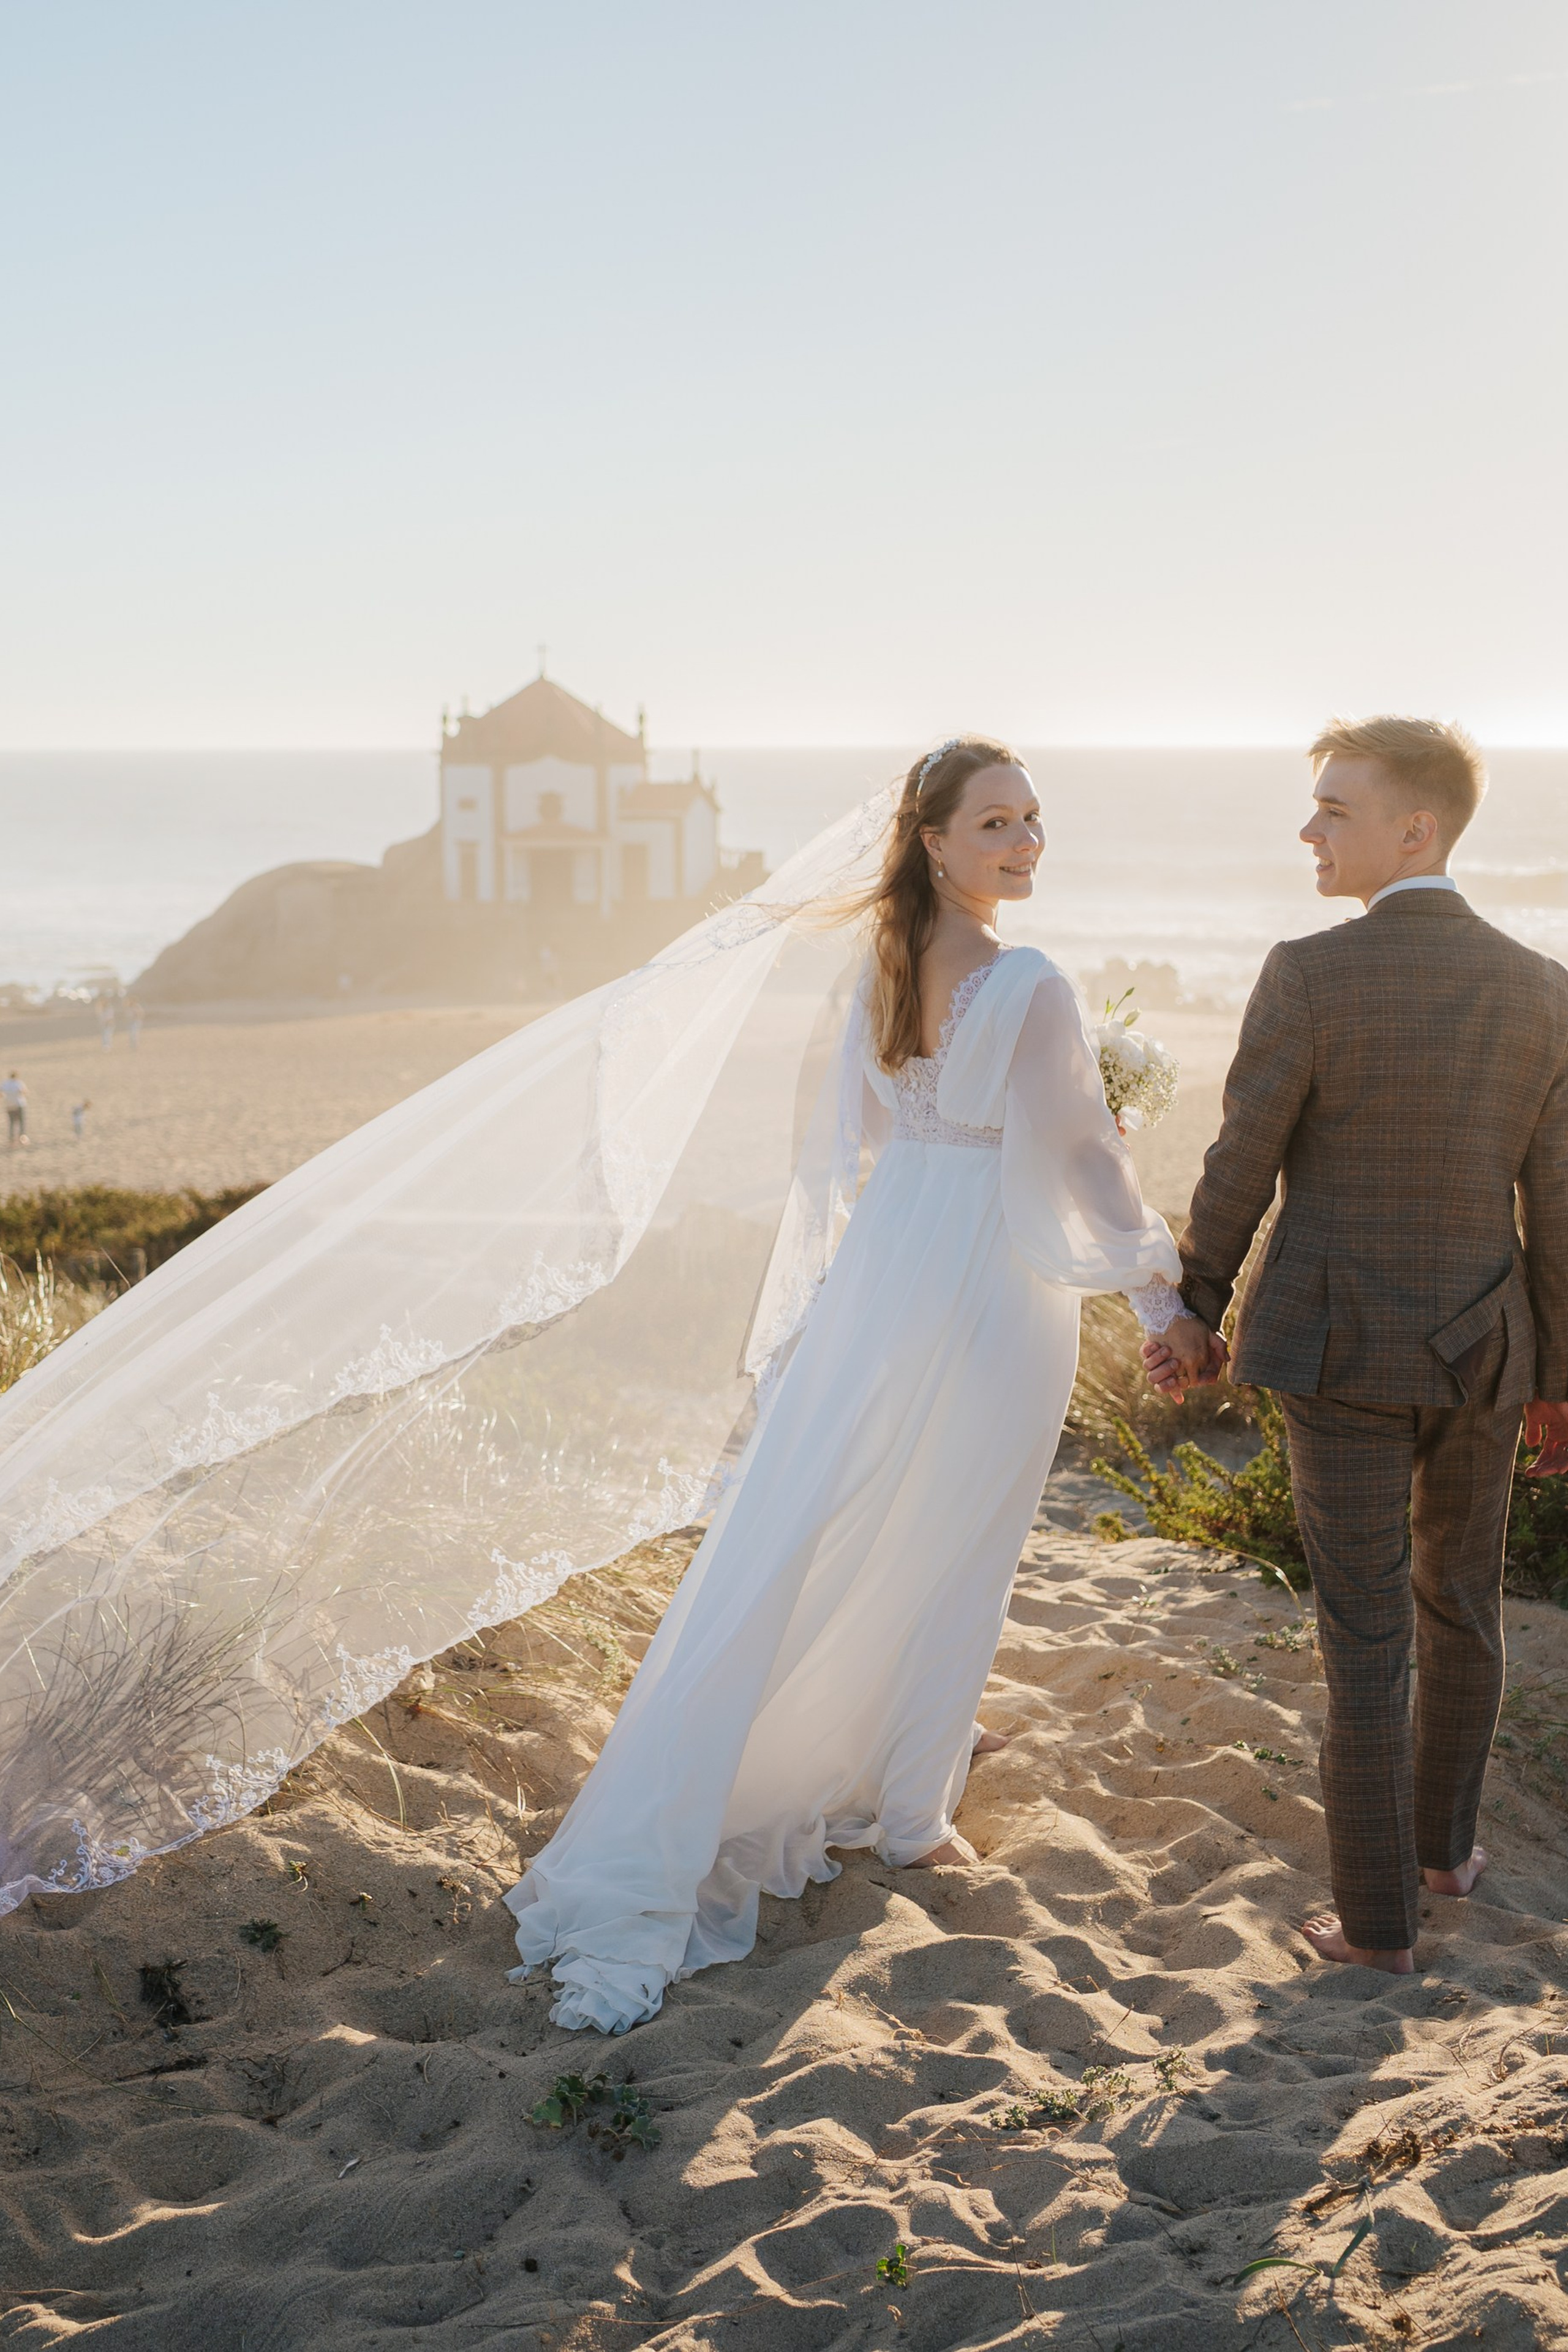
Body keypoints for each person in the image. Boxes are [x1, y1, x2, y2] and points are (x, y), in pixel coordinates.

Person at [505, 738, 1191, 2032]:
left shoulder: (877, 967)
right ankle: (911, 1811)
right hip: (988, 1282)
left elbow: (868, 1137)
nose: (1025, 843)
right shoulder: (1031, 978)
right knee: (961, 1535)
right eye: (995, 823)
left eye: (1034, 820)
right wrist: (1161, 1292)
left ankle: (879, 1758)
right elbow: (1088, 1161)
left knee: (855, 1513)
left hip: (886, 1272)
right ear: (931, 839)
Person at [1144, 716, 1568, 1977]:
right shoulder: (1544, 990)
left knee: (1366, 1636)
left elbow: (1239, 1163)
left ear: (1412, 829)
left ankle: (1374, 1927)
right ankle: (1443, 1857)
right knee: (1461, 1608)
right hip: (1486, 1348)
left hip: (1332, 1351)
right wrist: (1555, 1376)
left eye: (1332, 807)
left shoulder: (1307, 974)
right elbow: (1557, 1209)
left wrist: (1194, 1309)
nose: (1308, 829)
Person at [1, 1072, 27, 1149]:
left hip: (9, 1105)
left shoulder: (5, 1084)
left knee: (12, 1123)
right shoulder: (18, 1083)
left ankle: (12, 1140)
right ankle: (22, 1138)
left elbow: (1, 1094)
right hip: (19, 1105)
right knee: (21, 1122)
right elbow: (23, 1091)